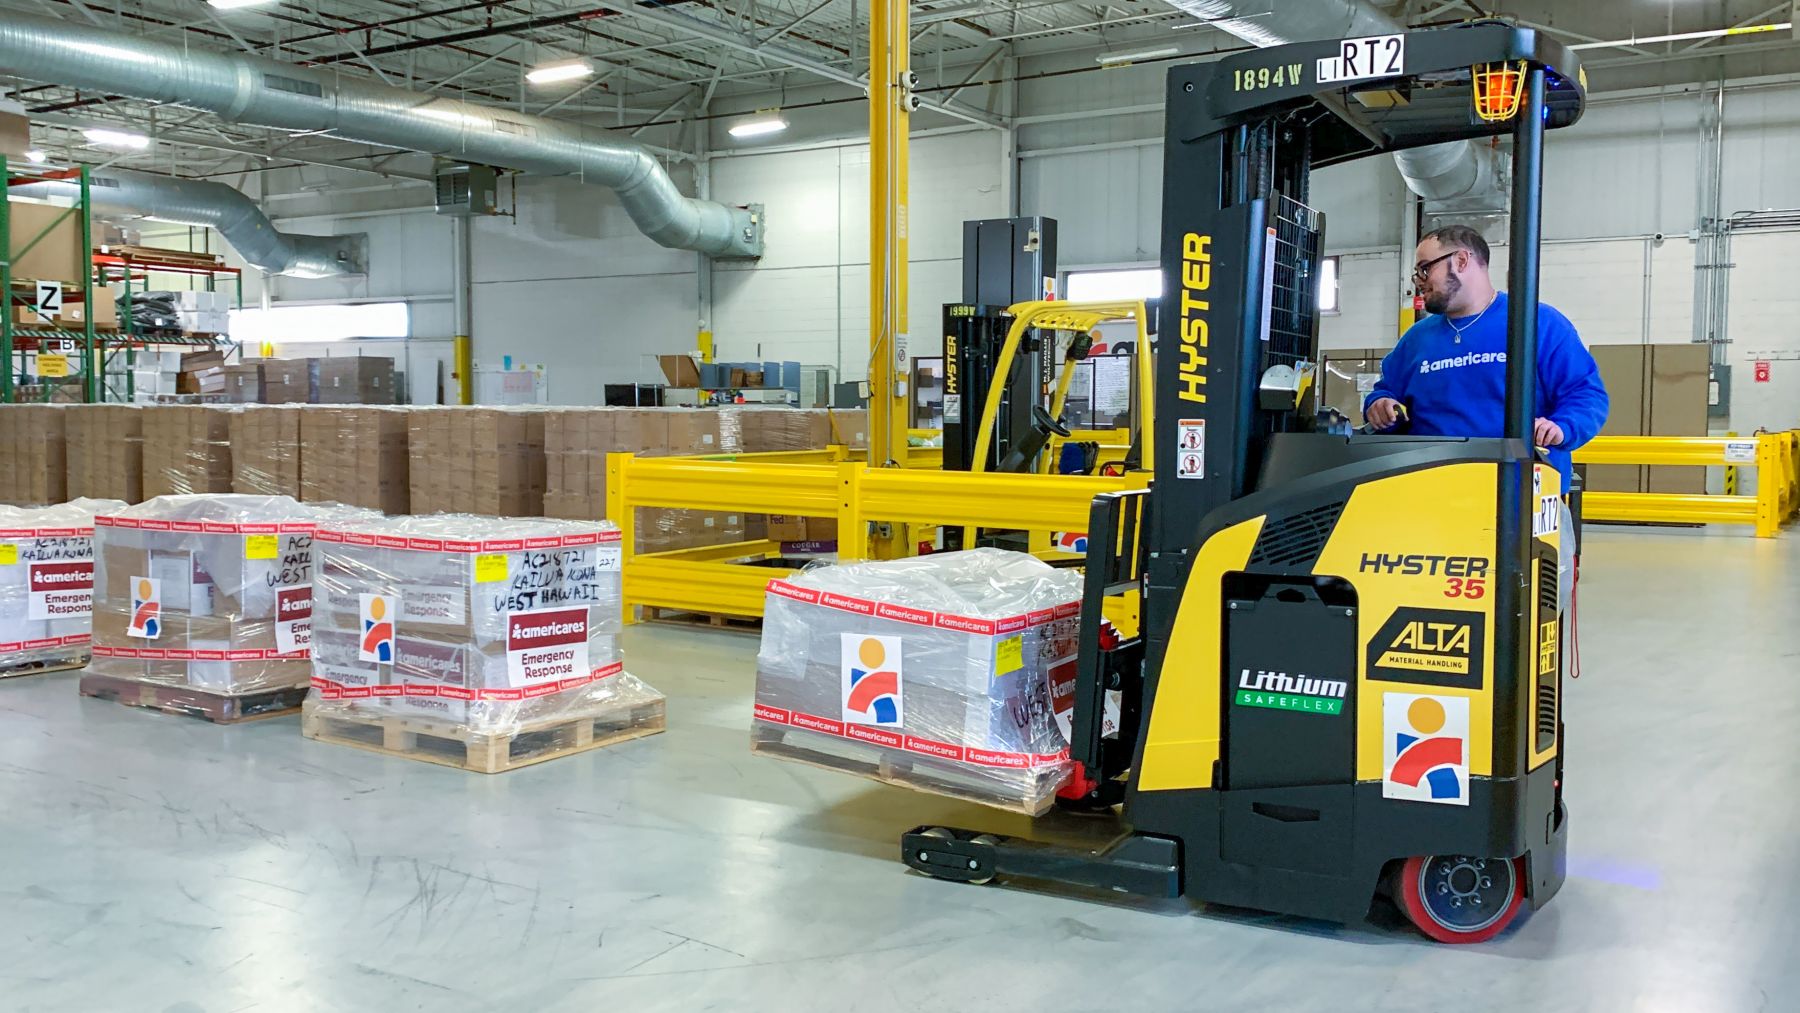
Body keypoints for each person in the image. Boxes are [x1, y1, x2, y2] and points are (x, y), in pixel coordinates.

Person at [1364, 224, 1609, 488]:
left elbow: (1586, 395)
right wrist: (1380, 406)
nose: (1419, 281)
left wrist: (1563, 427)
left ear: (1460, 261)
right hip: (1433, 493)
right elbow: (1385, 393)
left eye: (1425, 268)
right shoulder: (1415, 340)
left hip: (1522, 495)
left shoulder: (1538, 324)